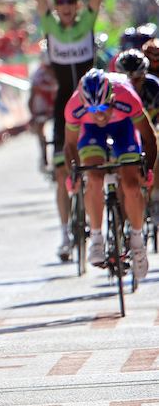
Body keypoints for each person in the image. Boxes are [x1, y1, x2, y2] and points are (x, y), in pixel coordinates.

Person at [22, 0, 114, 262]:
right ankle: (64, 235)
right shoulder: (50, 24)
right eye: (59, 2)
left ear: (76, 5)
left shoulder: (87, 21)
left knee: (97, 169)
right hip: (66, 106)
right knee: (62, 174)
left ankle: (99, 228)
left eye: (68, 2)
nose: (63, 7)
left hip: (94, 101)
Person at [63, 69, 157, 285]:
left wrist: (148, 170)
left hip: (124, 128)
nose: (99, 114)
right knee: (93, 177)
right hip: (91, 133)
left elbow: (149, 138)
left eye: (104, 107)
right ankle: (96, 237)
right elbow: (69, 146)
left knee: (132, 185)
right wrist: (74, 173)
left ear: (112, 98)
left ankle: (137, 241)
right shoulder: (75, 106)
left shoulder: (127, 96)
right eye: (92, 109)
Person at [28, 43, 58, 171]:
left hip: (57, 103)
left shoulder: (60, 70)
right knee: (40, 127)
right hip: (43, 106)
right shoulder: (38, 74)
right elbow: (32, 95)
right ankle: (43, 154)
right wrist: (33, 114)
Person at [115, 49, 159, 122]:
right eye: (127, 81)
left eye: (136, 79)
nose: (131, 84)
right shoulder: (112, 90)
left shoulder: (154, 88)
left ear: (144, 76)